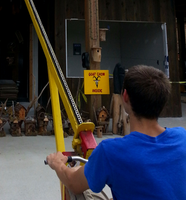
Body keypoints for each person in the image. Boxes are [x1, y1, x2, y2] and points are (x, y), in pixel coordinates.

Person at [46, 65, 186, 200]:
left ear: (125, 96)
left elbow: (73, 183)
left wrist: (58, 164)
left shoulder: (111, 151)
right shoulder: (182, 137)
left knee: (82, 190)